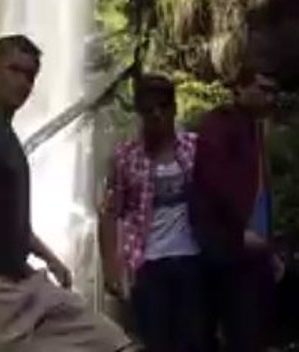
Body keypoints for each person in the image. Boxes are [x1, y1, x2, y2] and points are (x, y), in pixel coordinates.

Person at [0, 34, 134, 352]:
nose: (23, 82)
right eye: (14, 70)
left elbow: (13, 224)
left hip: (25, 284)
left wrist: (51, 260)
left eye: (30, 75)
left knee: (110, 341)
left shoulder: (10, 140)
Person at [100, 74, 210, 352]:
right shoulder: (127, 157)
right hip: (147, 262)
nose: (157, 115)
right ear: (140, 114)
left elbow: (219, 197)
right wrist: (111, 267)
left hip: (192, 258)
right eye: (149, 110)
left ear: (173, 109)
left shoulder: (195, 149)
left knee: (194, 340)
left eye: (163, 107)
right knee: (157, 341)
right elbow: (109, 213)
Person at [190, 63, 283, 352]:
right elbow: (213, 184)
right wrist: (236, 234)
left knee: (254, 335)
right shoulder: (220, 124)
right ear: (240, 88)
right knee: (238, 333)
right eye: (262, 89)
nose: (270, 98)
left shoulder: (253, 128)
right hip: (230, 250)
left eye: (273, 92)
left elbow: (260, 193)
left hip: (254, 251)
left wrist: (271, 249)